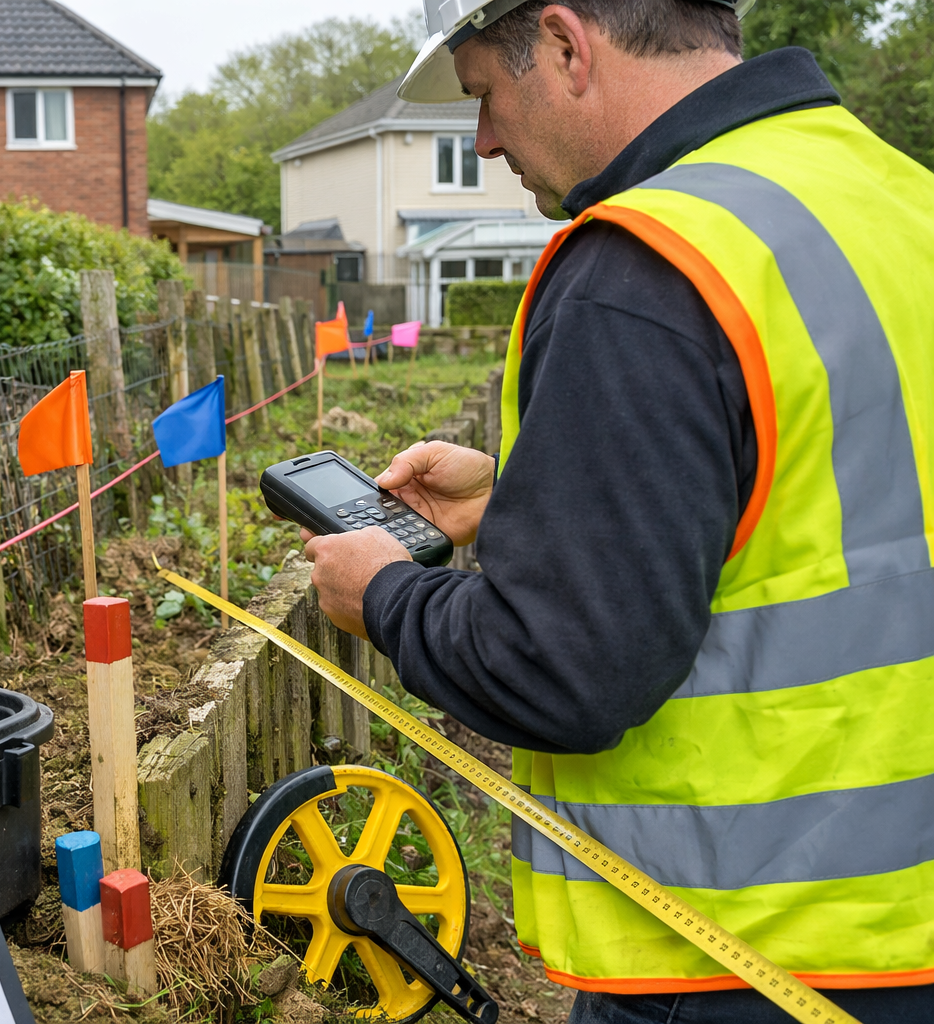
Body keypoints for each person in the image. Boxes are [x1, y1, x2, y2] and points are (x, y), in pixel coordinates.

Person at [297, 2, 934, 1022]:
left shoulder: (648, 263)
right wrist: (529, 503)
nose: (486, 141)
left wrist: (385, 597)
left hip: (748, 946)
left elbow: (564, 664)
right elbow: (846, 496)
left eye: (484, 97)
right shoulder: (899, 199)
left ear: (563, 44)